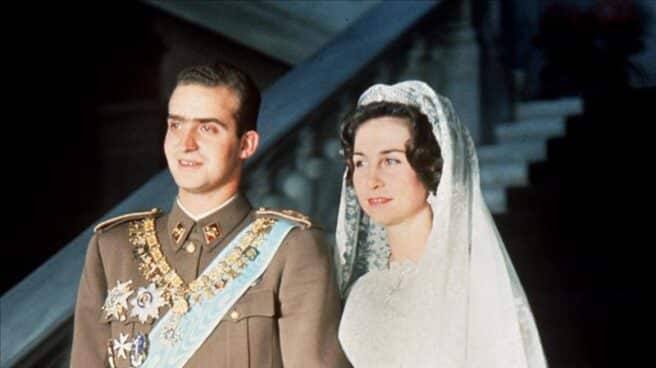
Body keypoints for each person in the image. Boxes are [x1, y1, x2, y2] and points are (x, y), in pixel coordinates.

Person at [71, 63, 348, 368]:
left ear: (246, 144)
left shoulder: (290, 249)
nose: (185, 144)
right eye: (176, 125)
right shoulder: (113, 248)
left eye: (207, 128)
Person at [335, 81, 547, 367]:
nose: (372, 179)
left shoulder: (476, 284)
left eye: (391, 161)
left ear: (430, 167)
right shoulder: (361, 292)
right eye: (360, 163)